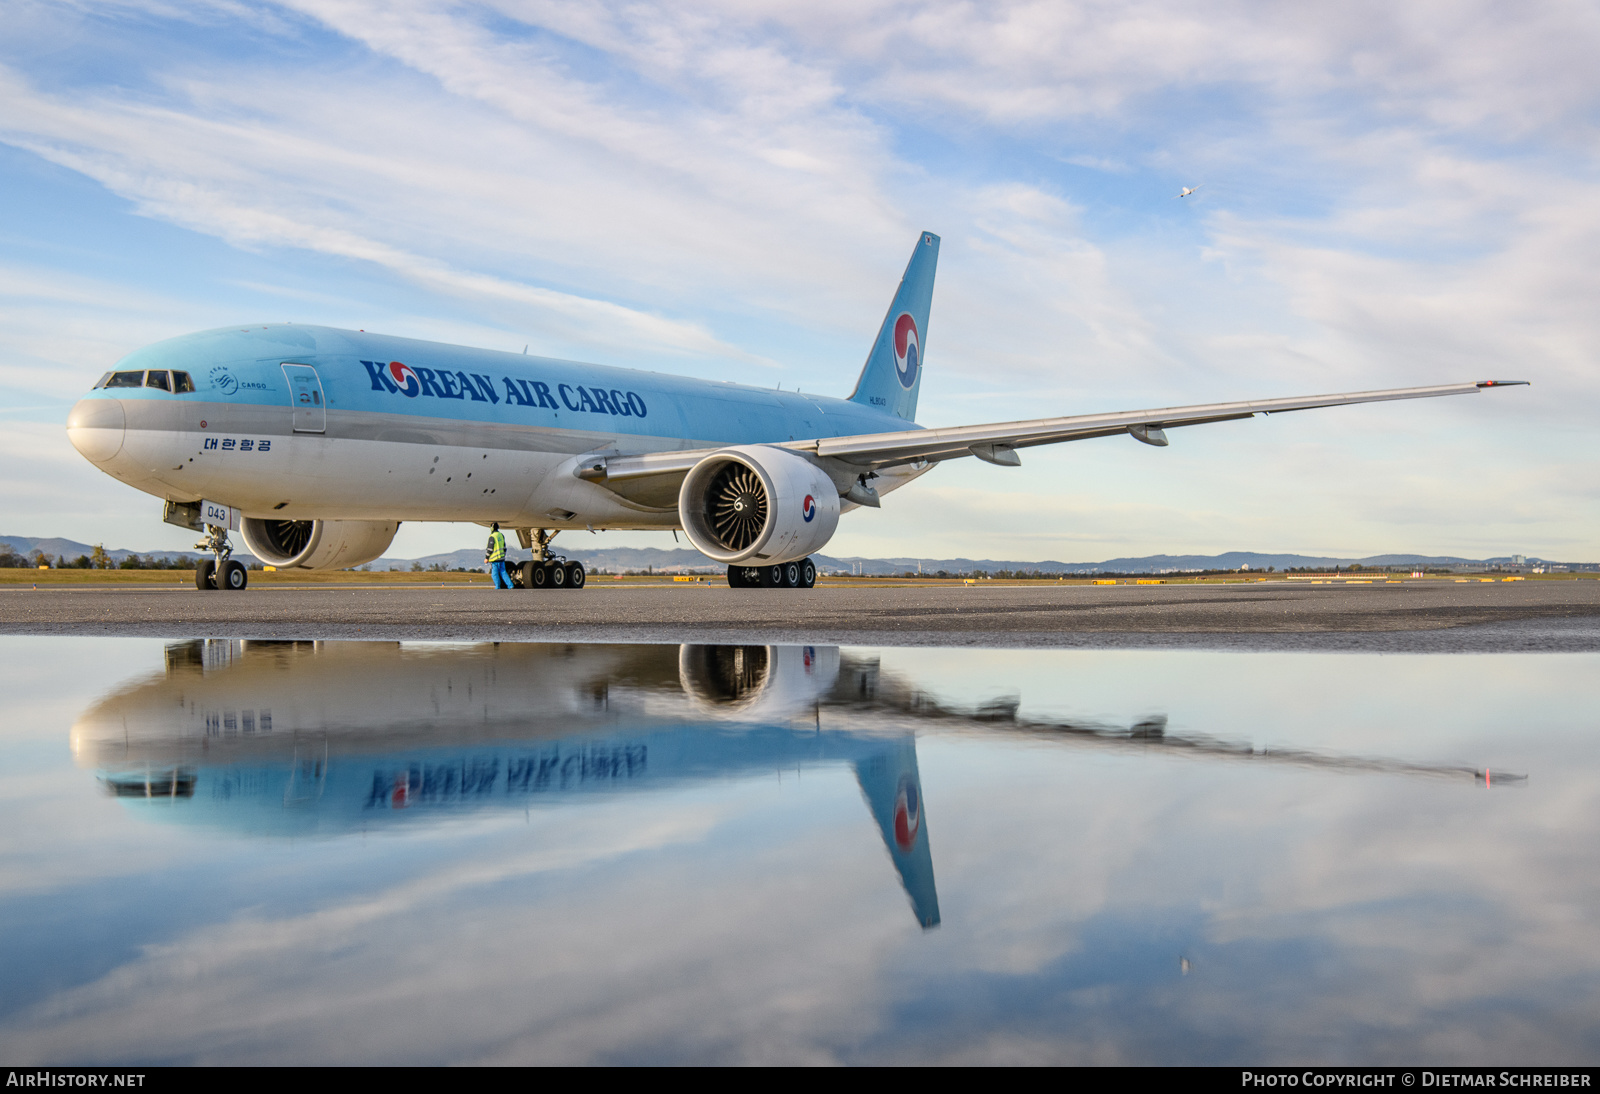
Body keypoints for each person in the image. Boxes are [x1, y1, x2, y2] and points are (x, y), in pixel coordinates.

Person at [485, 522, 512, 589]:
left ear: (492, 528)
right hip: (501, 558)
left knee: (494, 574)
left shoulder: (492, 536)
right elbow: (504, 547)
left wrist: (486, 558)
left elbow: (490, 549)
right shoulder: (501, 535)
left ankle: (497, 586)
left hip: (495, 559)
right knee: (503, 572)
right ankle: (510, 585)